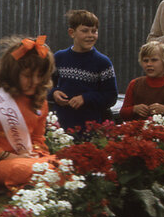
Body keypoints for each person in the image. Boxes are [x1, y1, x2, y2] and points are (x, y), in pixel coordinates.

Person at [0, 36, 59, 193]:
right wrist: (7, 156)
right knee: (21, 169)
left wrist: (37, 155)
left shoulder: (40, 103)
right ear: (13, 74)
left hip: (26, 159)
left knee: (65, 164)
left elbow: (38, 139)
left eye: (40, 76)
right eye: (28, 76)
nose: (35, 81)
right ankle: (35, 182)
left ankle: (34, 181)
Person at [49, 10, 117, 140]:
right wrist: (54, 93)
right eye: (85, 31)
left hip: (90, 130)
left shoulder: (103, 62)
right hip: (60, 128)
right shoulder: (59, 57)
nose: (90, 35)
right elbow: (45, 85)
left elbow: (110, 97)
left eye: (94, 31)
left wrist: (86, 98)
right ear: (72, 33)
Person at [119, 41, 164, 121]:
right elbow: (123, 113)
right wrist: (134, 109)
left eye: (154, 60)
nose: (149, 64)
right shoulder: (135, 84)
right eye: (145, 61)